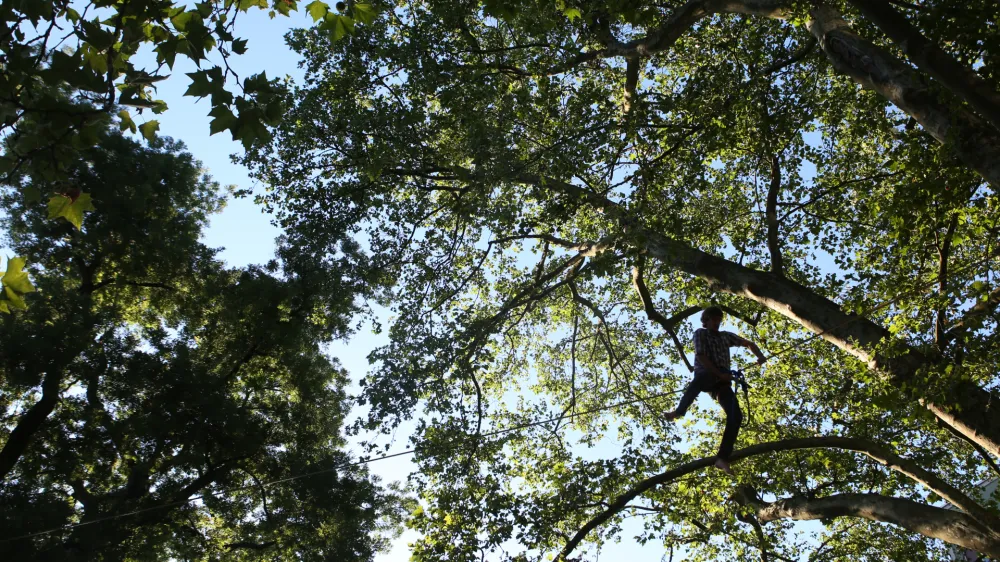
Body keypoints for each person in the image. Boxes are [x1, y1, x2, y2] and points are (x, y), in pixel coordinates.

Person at [664, 306, 766, 475]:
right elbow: (701, 356)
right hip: (708, 374)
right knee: (699, 380)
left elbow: (748, 343)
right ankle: (679, 411)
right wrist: (719, 373)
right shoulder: (700, 333)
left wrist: (759, 355)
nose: (717, 323)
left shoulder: (726, 336)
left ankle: (722, 458)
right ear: (706, 320)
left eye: (719, 319)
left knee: (736, 415)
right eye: (714, 319)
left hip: (722, 382)